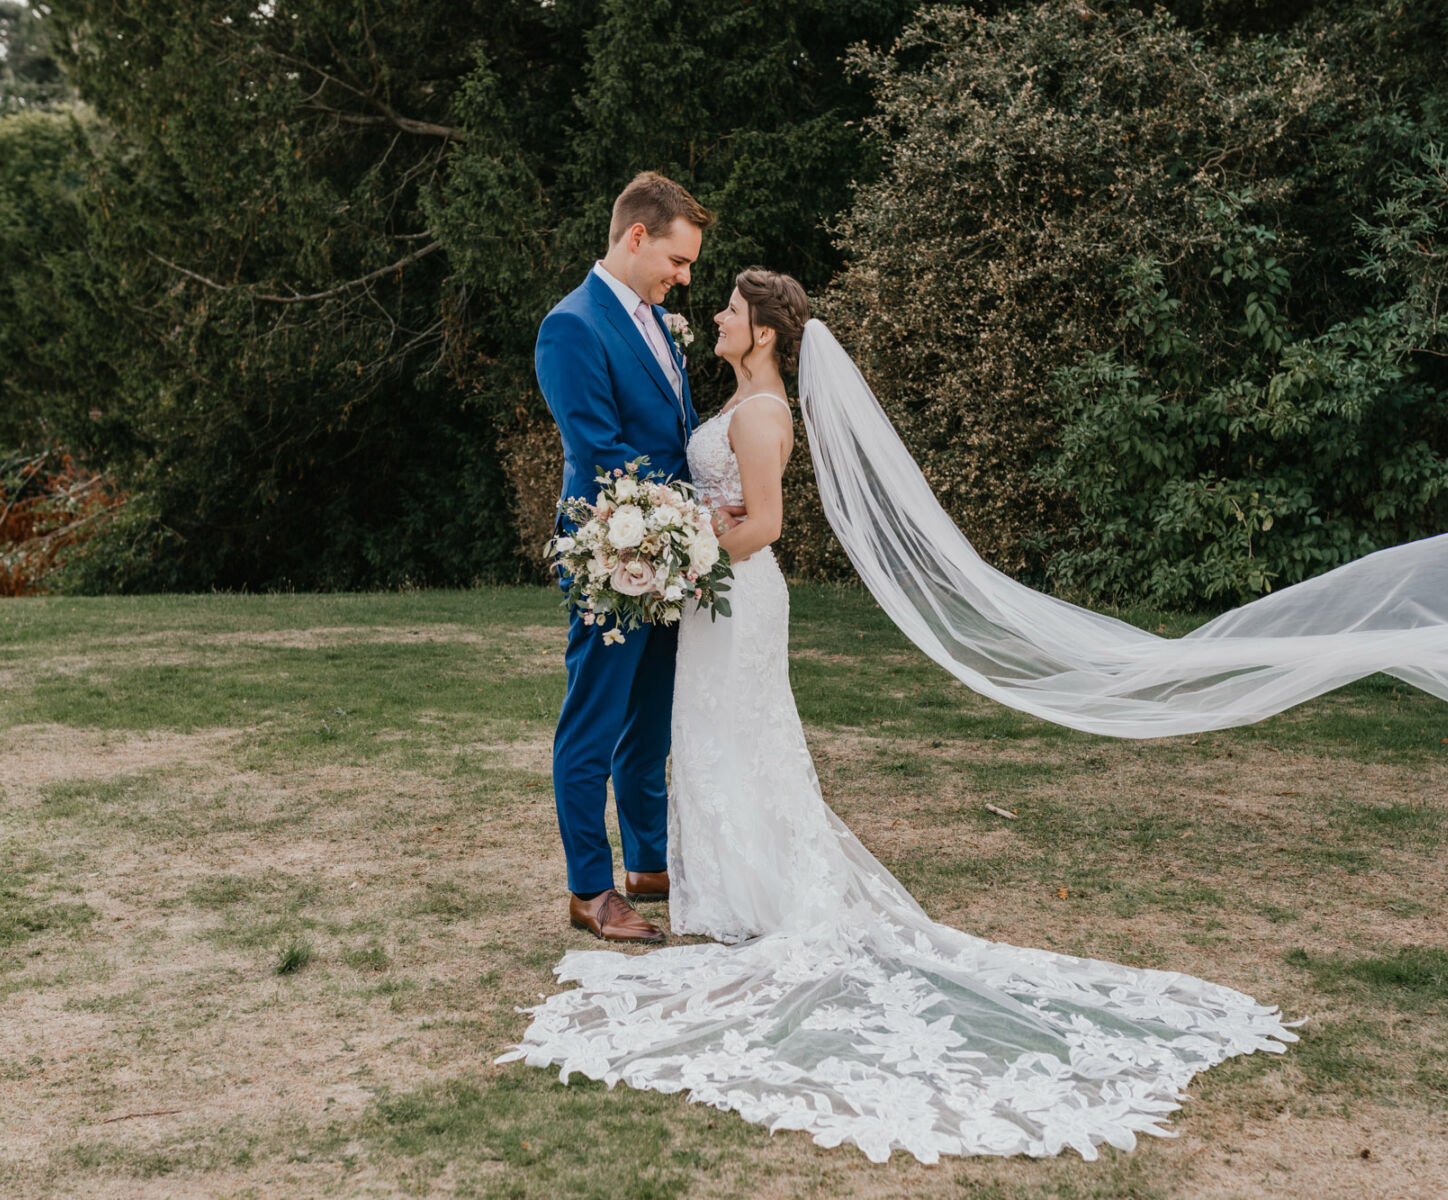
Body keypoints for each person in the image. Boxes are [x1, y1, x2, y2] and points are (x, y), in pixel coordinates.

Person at [502, 269, 1300, 1163]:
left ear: (764, 334)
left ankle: (762, 890)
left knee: (742, 736)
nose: (715, 316)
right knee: (715, 738)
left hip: (731, 592)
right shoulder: (739, 400)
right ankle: (723, 880)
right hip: (711, 593)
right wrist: (686, 529)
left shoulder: (764, 414)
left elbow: (762, 525)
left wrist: (684, 554)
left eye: (730, 309)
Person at [535, 171, 713, 945]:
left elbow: (678, 431)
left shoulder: (657, 323)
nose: (684, 278)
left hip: (668, 553)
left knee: (651, 720)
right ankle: (589, 889)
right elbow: (603, 454)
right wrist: (688, 520)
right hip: (614, 554)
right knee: (595, 725)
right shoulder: (571, 325)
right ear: (636, 237)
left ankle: (647, 863)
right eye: (677, 260)